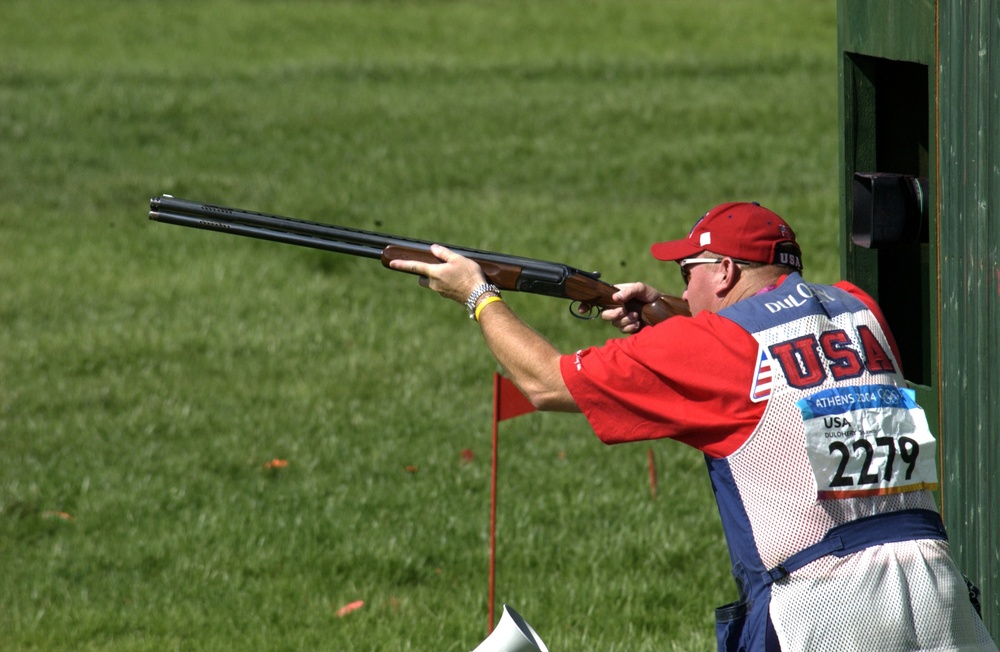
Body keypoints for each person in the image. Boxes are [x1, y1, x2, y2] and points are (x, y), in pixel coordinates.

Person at [389, 201, 997, 651]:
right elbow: (773, 340)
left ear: (725, 272)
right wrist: (672, 311)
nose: (683, 281)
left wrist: (479, 296)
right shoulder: (857, 309)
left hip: (824, 611)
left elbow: (545, 381)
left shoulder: (715, 348)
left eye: (689, 271)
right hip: (937, 589)